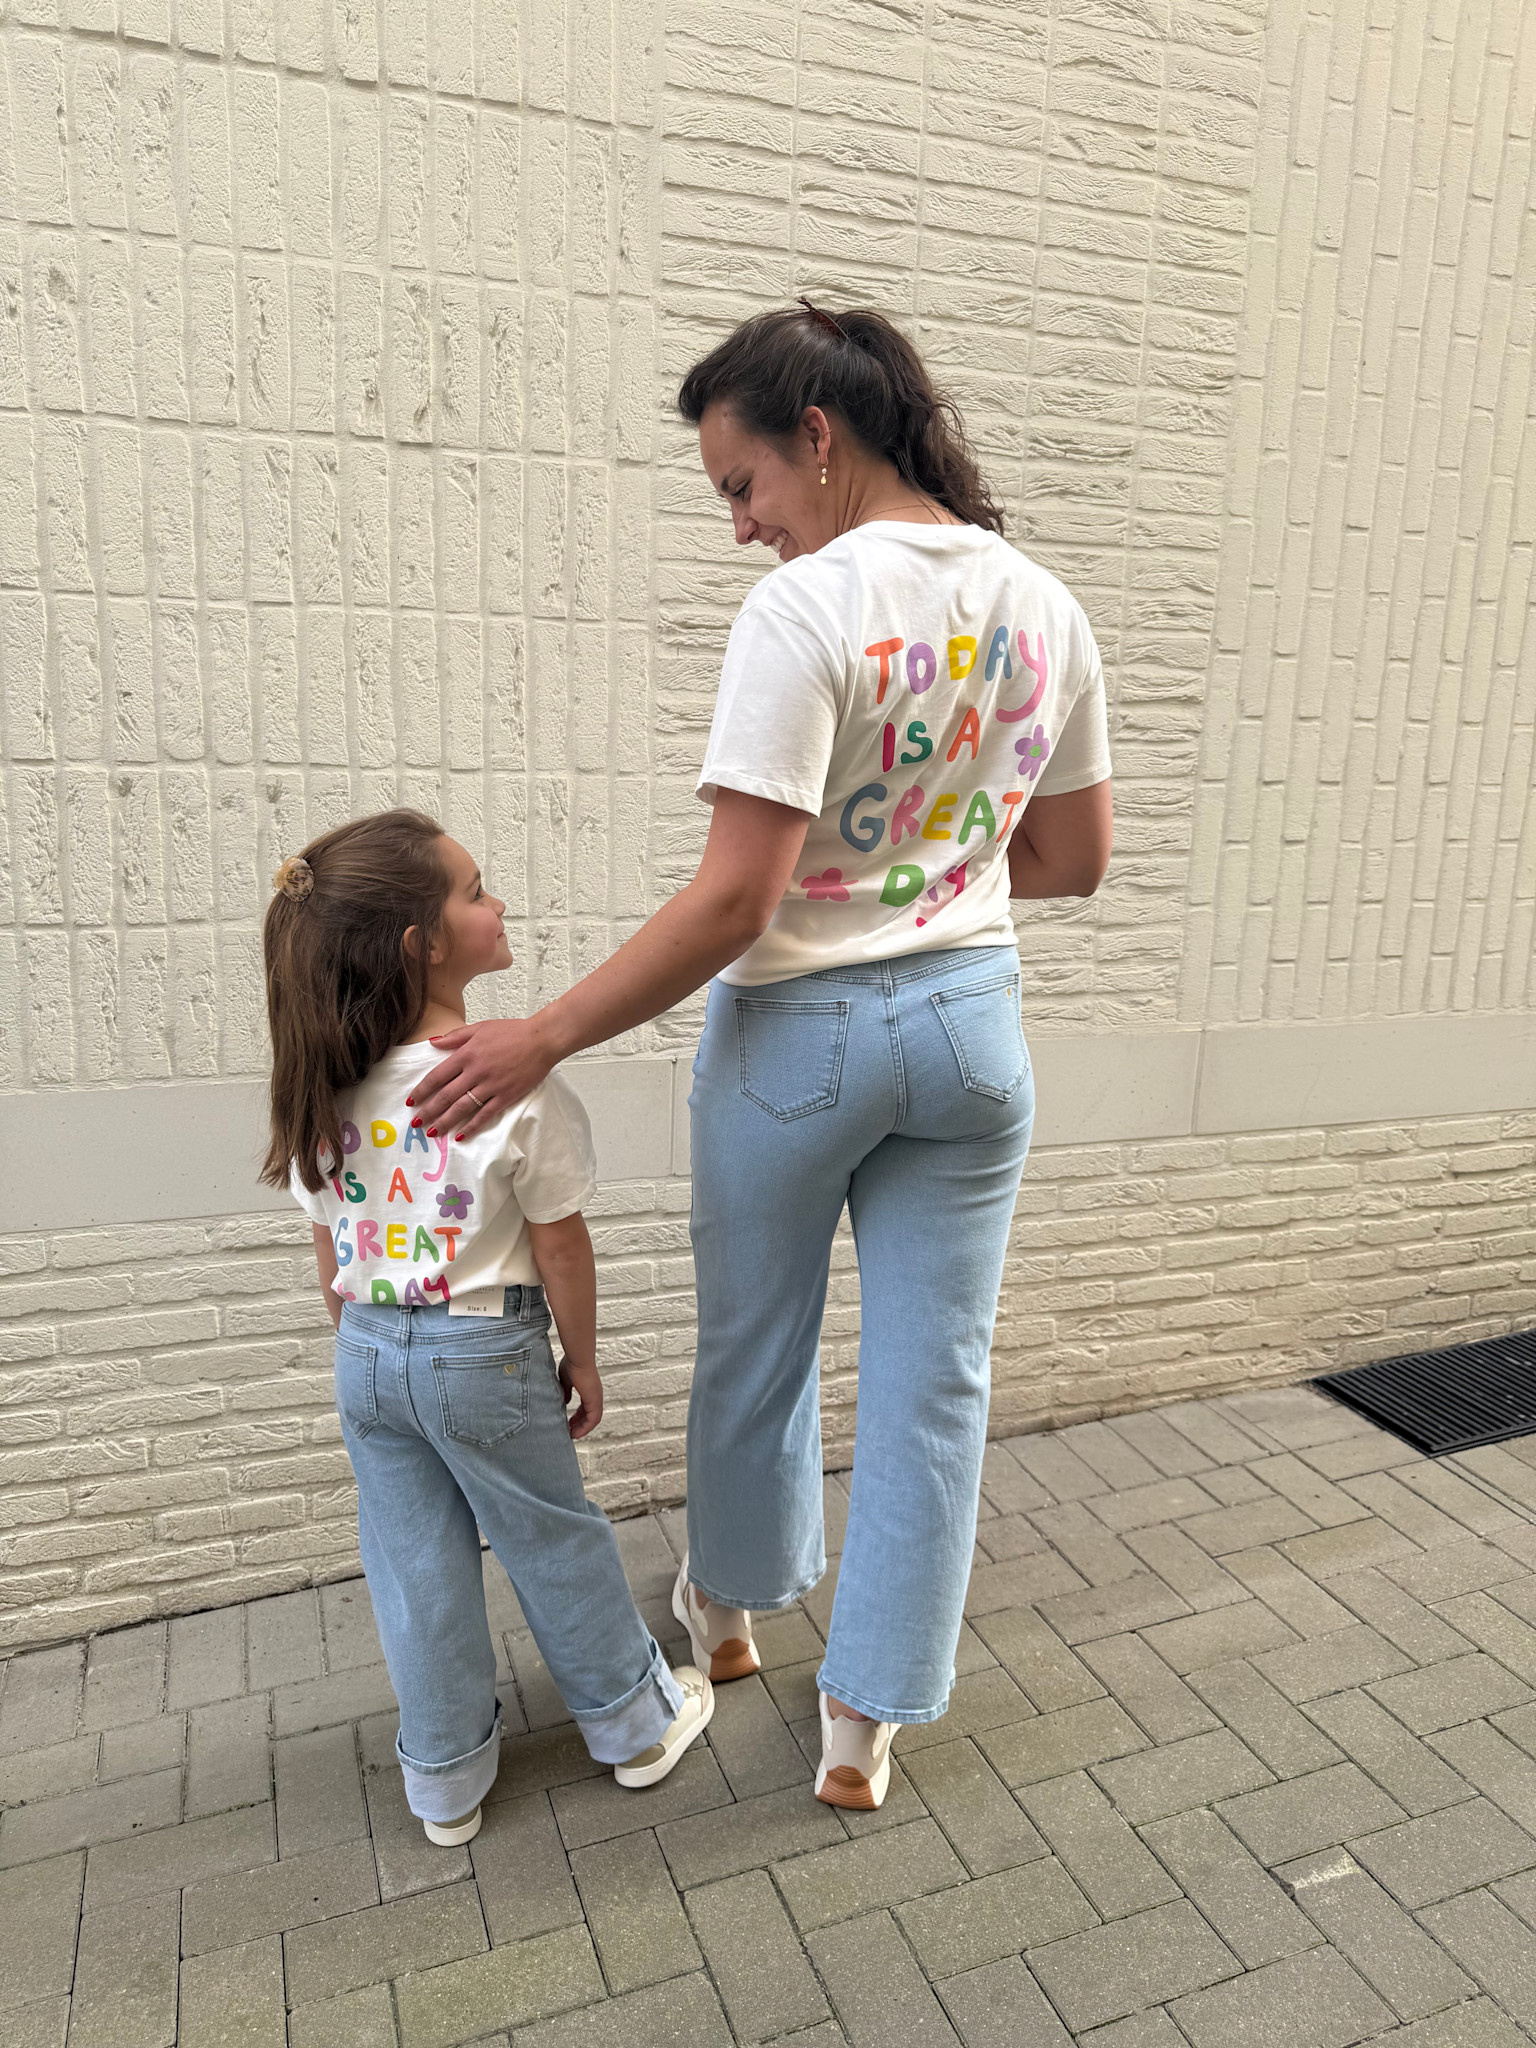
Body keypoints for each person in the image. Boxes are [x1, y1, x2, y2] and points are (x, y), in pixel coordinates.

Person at [410, 301, 1114, 1810]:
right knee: (937, 1383)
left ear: (819, 434)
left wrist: (544, 1031)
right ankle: (866, 1719)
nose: (740, 526)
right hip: (973, 1031)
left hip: (801, 1032)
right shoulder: (1043, 605)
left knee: (756, 1346)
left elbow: (738, 900)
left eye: (743, 485)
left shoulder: (805, 611)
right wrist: (932, 866)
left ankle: (727, 1614)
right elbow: (1073, 859)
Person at [260, 808, 712, 1846]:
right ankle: (636, 1728)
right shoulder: (508, 1081)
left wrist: (375, 1345)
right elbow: (561, 1247)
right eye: (475, 890)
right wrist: (581, 1357)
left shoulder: (323, 1085)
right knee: (551, 1535)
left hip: (367, 1352)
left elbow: (331, 1258)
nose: (497, 903)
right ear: (421, 942)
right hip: (483, 1349)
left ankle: (446, 1783)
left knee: (412, 1562)